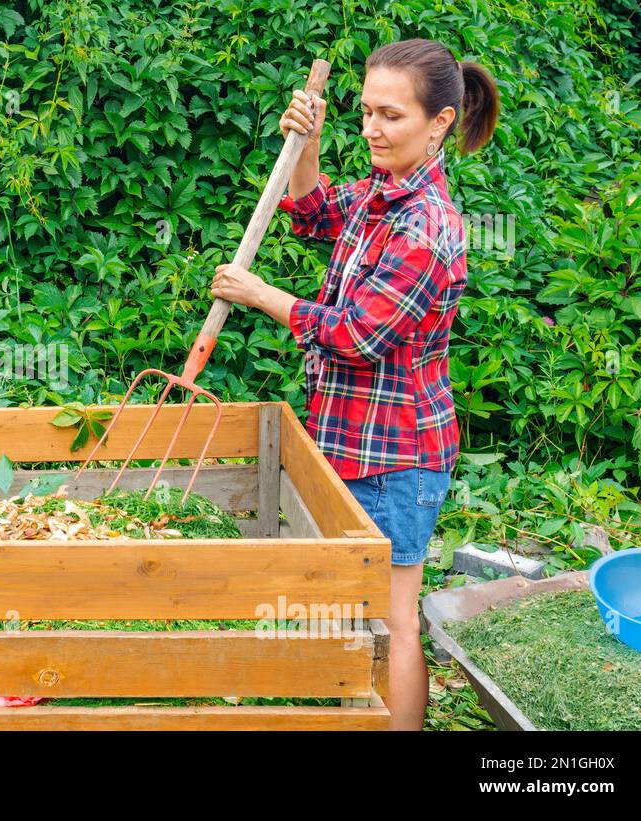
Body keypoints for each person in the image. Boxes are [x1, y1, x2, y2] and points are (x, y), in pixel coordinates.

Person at [209, 38, 499, 730]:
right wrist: (304, 144)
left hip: (398, 457)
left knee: (395, 618)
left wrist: (262, 295)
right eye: (366, 112)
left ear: (438, 125)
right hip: (349, 438)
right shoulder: (378, 194)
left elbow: (356, 336)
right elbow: (311, 212)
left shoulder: (426, 227)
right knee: (352, 606)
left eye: (391, 117)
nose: (371, 128)